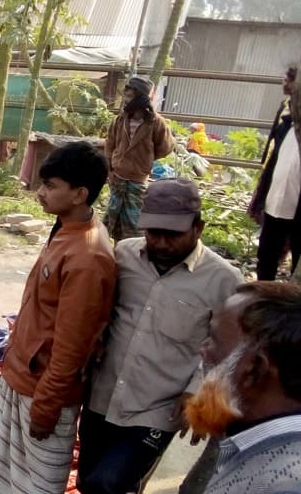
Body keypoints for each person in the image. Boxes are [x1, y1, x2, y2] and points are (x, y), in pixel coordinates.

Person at [77, 178, 243, 494]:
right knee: (89, 480)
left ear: (199, 228)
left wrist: (200, 391)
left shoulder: (223, 280)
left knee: (107, 484)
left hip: (157, 408)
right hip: (103, 395)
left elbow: (230, 348)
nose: (162, 243)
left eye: (173, 235)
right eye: (155, 233)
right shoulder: (124, 255)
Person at [0, 141, 117, 494]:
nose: (40, 193)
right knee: (1, 478)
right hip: (21, 377)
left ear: (80, 193)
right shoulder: (66, 230)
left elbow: (71, 345)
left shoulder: (88, 257)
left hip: (41, 392)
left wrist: (47, 405)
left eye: (51, 186)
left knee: (29, 486)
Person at [180, 281, 301, 494]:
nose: (203, 349)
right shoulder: (256, 444)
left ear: (253, 370)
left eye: (214, 340)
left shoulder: (283, 484)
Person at [104, 76, 175, 242]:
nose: (126, 101)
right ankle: (115, 251)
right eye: (125, 96)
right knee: (113, 216)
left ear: (141, 98)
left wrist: (145, 158)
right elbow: (110, 144)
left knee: (134, 221)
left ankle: (132, 253)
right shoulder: (120, 120)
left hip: (138, 179)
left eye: (130, 97)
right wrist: (110, 169)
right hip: (118, 176)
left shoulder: (156, 123)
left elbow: (165, 148)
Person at [250, 67, 301, 280]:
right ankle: (264, 297)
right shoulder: (286, 127)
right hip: (276, 205)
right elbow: (273, 165)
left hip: (297, 209)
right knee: (267, 256)